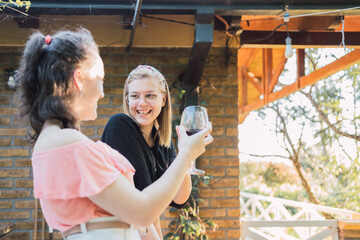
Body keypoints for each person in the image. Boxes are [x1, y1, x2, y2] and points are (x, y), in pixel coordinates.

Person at [16, 28, 213, 240]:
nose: (102, 92)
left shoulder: (57, 138)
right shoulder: (68, 142)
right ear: (79, 80)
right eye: (100, 79)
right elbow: (143, 212)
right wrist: (186, 156)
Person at [101, 65, 191, 238]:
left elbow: (179, 199)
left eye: (150, 95)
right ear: (127, 100)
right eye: (135, 96)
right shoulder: (120, 126)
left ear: (163, 99)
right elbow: (141, 207)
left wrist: (186, 156)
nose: (142, 103)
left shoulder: (163, 142)